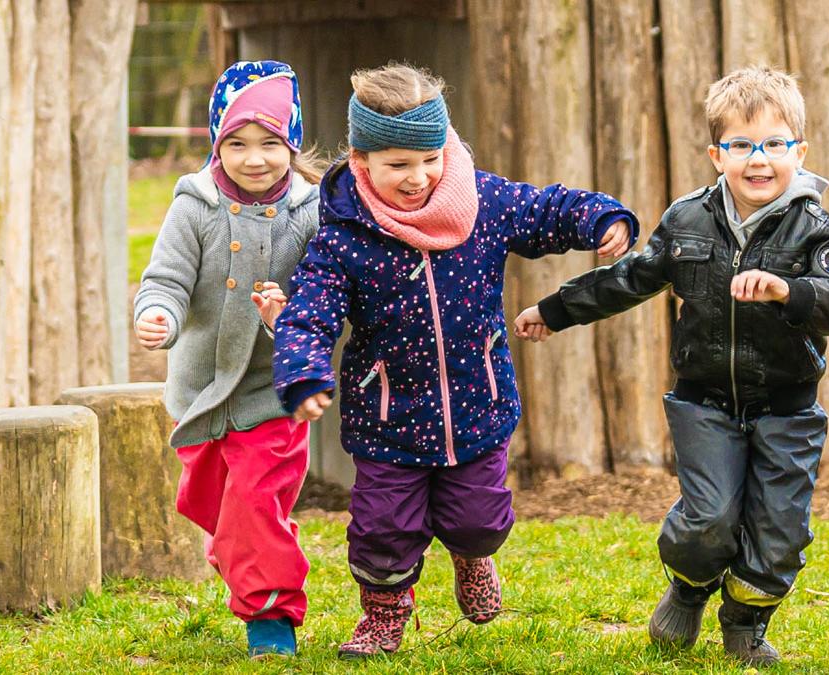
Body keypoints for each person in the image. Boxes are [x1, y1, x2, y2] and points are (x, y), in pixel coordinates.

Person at [270, 63, 637, 659]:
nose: (418, 178)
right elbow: (311, 308)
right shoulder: (344, 232)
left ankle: (472, 559)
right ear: (362, 163)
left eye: (429, 158)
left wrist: (601, 218)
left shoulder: (481, 201)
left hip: (477, 401)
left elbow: (544, 209)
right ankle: (385, 613)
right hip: (389, 414)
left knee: (478, 520)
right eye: (398, 165)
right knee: (382, 528)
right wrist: (303, 370)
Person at [514, 65, 829, 666]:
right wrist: (555, 309)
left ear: (799, 151)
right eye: (741, 145)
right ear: (715, 154)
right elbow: (630, 279)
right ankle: (690, 584)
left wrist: (786, 289)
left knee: (780, 531)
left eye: (776, 144)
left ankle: (746, 621)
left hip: (788, 407)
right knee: (709, 518)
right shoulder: (688, 220)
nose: (760, 159)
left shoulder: (815, 227)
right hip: (704, 401)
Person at [133, 60, 327, 659]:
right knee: (213, 501)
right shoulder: (194, 207)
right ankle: (244, 548)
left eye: (271, 143)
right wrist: (158, 314)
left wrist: (289, 315)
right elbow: (165, 278)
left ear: (291, 146)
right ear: (217, 145)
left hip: (272, 394)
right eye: (236, 144)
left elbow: (326, 293)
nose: (254, 158)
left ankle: (270, 617)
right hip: (200, 393)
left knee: (256, 502)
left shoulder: (312, 213)